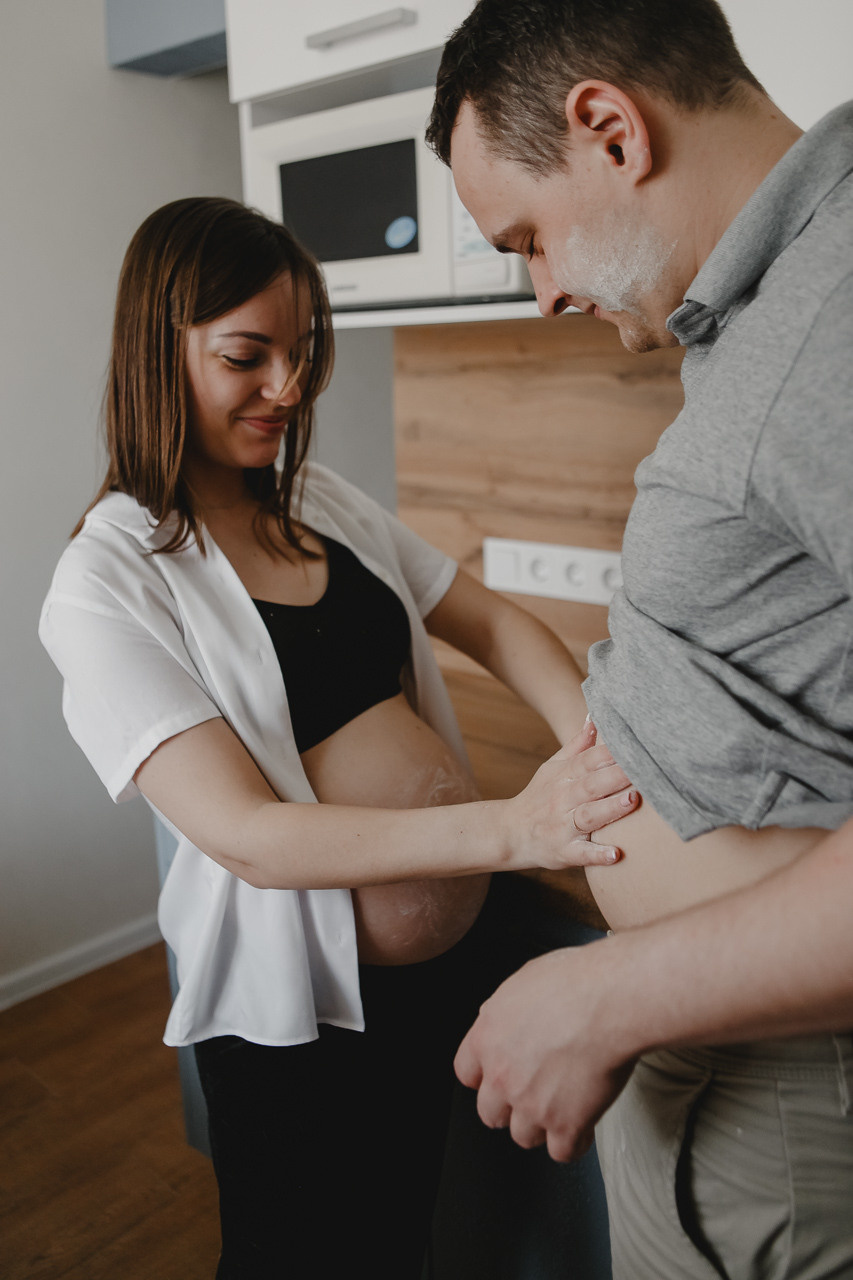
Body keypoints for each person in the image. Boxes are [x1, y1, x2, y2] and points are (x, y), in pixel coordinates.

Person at [38, 196, 638, 1279]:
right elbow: (253, 835)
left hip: (428, 977)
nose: (289, 387)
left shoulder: (319, 500)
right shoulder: (107, 578)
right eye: (246, 355)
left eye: (303, 351)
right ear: (155, 351)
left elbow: (489, 619)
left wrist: (586, 742)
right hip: (297, 1022)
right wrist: (518, 824)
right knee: (298, 1251)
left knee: (401, 1227)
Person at [425, 0, 853, 1275]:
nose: (542, 288)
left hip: (777, 1077)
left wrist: (605, 993)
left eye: (527, 239)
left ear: (611, 129)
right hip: (727, 1038)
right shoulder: (769, 299)